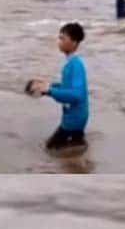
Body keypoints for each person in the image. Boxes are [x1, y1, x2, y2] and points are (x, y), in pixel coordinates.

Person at [34, 22, 89, 150]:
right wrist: (49, 87)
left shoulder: (75, 64)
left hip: (73, 119)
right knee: (76, 147)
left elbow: (77, 95)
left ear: (74, 42)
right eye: (59, 38)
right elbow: (66, 88)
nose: (59, 41)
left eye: (63, 38)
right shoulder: (70, 62)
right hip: (77, 116)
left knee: (49, 148)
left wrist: (50, 91)